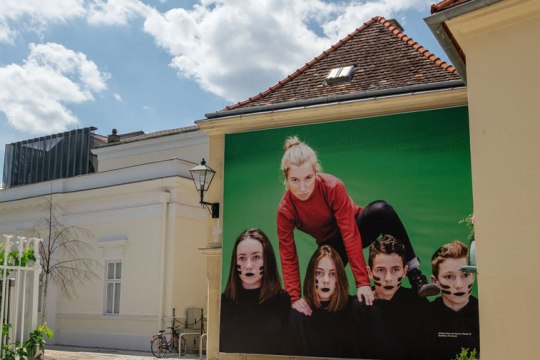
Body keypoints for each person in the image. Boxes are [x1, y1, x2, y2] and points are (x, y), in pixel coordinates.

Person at [277, 136, 437, 315]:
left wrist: (362, 283)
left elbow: (349, 233)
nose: (303, 188)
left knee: (381, 210)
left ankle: (416, 275)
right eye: (295, 180)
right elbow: (288, 255)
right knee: (314, 285)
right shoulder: (286, 210)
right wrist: (293, 297)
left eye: (308, 178)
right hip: (331, 246)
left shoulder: (332, 186)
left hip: (357, 228)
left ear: (316, 172)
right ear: (286, 179)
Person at [351, 234, 429, 359]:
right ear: (369, 272)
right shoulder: (358, 307)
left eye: (395, 270)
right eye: (381, 270)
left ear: (405, 271)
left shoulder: (418, 304)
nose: (388, 278)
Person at [220, 228, 291, 355]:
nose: (248, 265)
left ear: (267, 260)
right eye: (242, 258)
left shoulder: (282, 300)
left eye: (256, 257)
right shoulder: (223, 302)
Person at [288, 245, 356, 358]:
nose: (326, 280)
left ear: (339, 278)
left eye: (332, 274)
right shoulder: (297, 315)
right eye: (319, 273)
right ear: (311, 276)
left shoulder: (353, 309)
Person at [424, 241, 480, 359]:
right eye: (449, 277)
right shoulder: (424, 316)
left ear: (473, 276)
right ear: (435, 281)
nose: (459, 285)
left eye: (465, 275)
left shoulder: (485, 313)